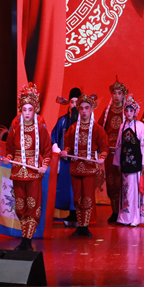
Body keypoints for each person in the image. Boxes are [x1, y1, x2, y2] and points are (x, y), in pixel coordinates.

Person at [5, 83, 52, 251]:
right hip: (18, 172)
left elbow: (47, 151)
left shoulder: (41, 130)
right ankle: (24, 238)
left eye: (30, 110)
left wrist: (44, 166)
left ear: (35, 111)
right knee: (20, 206)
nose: (26, 113)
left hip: (33, 172)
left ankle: (27, 240)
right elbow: (9, 149)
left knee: (32, 204)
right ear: (21, 111)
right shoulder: (15, 130)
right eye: (24, 110)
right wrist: (8, 158)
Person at [61, 93, 109, 237]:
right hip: (76, 167)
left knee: (87, 197)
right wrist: (65, 151)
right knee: (77, 198)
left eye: (86, 108)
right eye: (81, 108)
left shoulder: (97, 128)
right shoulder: (73, 128)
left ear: (91, 109)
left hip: (90, 167)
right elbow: (68, 145)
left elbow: (104, 147)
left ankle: (84, 226)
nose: (83, 111)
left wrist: (102, 157)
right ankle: (80, 225)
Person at [113, 95, 144, 226]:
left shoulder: (140, 126)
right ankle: (124, 217)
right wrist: (117, 162)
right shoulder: (122, 126)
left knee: (134, 190)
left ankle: (135, 217)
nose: (128, 113)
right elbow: (119, 145)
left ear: (135, 112)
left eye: (131, 110)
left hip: (136, 163)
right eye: (126, 110)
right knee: (125, 190)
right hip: (125, 163)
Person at [99, 77, 128, 223]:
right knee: (112, 182)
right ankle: (115, 211)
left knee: (124, 181)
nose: (116, 96)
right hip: (110, 151)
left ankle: (125, 211)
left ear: (123, 95)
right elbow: (100, 129)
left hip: (124, 151)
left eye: (119, 93)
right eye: (114, 93)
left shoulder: (127, 111)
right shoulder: (107, 111)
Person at [51, 87, 81, 222]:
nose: (74, 105)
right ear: (68, 103)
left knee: (77, 187)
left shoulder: (84, 121)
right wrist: (57, 149)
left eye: (76, 102)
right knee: (66, 187)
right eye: (72, 102)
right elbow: (54, 137)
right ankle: (69, 213)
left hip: (78, 160)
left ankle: (78, 214)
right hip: (64, 161)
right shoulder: (62, 121)